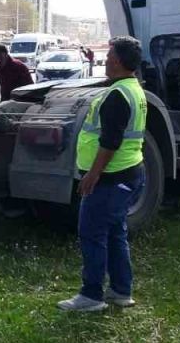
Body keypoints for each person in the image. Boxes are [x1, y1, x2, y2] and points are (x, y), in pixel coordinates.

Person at [58, 36, 147, 313]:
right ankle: (121, 290)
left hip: (110, 177)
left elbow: (110, 141)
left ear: (117, 61)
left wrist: (92, 175)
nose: (104, 60)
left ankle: (92, 295)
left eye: (108, 56)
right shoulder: (132, 88)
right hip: (127, 173)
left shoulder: (117, 95)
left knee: (92, 234)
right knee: (114, 233)